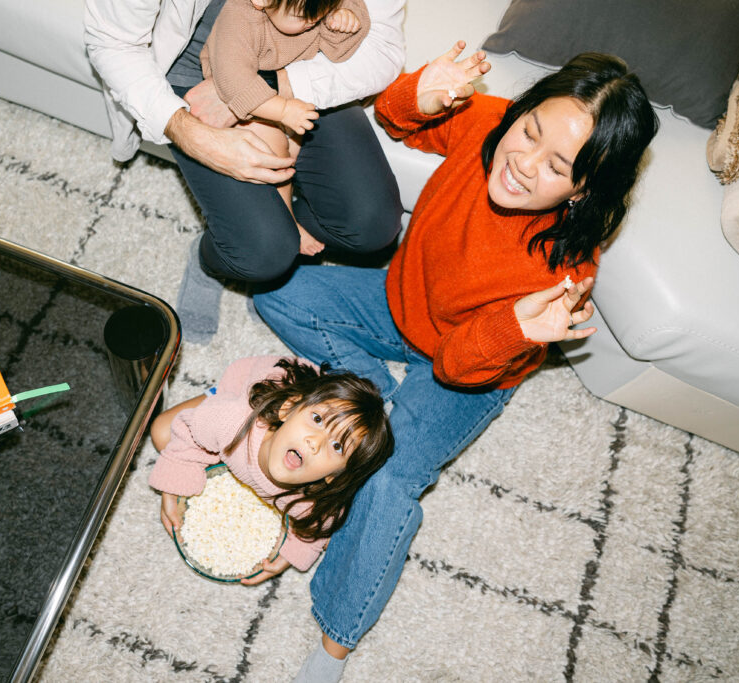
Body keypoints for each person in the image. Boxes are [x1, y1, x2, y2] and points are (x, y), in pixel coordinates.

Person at [253, 44, 659, 681]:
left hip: (472, 367)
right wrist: (420, 92)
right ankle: (372, 393)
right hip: (400, 300)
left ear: (583, 191)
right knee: (277, 285)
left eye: (558, 166)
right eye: (528, 131)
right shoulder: (491, 124)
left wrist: (514, 328)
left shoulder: (563, 273)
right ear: (520, 112)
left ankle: (334, 647)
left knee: (388, 478)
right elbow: (395, 119)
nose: (522, 162)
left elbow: (456, 369)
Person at [84, 0, 405, 344]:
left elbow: (382, 48)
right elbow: (111, 42)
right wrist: (189, 129)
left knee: (373, 223)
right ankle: (218, 256)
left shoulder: (304, 21)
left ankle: (255, 230)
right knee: (264, 250)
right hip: (200, 73)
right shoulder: (240, 19)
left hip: (295, 66)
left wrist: (333, 30)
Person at [149, 355, 394, 580]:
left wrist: (290, 555)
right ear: (288, 409)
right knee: (162, 432)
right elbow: (188, 431)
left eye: (338, 446)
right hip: (253, 386)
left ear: (334, 476)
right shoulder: (229, 422)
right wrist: (174, 480)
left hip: (298, 404)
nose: (314, 442)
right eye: (317, 420)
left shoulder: (311, 501)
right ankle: (218, 397)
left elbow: (318, 528)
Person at [201, 0, 371, 256]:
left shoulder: (314, 8)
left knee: (293, 147)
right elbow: (233, 83)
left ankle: (284, 198)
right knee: (276, 156)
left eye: (323, 11)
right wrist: (282, 111)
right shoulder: (238, 19)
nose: (314, 21)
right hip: (240, 92)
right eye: (304, 16)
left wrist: (344, 21)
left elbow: (338, 52)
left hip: (281, 77)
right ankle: (286, 219)